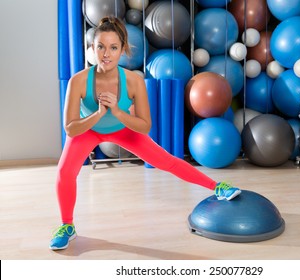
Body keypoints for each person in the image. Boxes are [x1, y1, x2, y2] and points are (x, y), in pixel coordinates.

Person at [50, 16, 241, 250]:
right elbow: (70, 127)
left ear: (122, 50)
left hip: (123, 130)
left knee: (167, 161)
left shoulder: (132, 81)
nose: (106, 54)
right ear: (92, 48)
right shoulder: (78, 81)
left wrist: (118, 112)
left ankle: (218, 187)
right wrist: (99, 114)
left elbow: (144, 125)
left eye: (113, 47)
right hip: (87, 130)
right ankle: (67, 226)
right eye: (100, 46)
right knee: (64, 171)